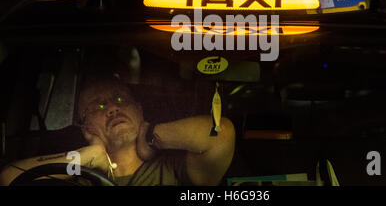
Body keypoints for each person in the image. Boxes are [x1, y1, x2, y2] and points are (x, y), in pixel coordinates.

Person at [0, 77, 235, 186]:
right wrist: (84, 158)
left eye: (120, 99)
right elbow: (9, 178)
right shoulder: (75, 176)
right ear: (86, 127)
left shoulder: (173, 170)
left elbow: (221, 133)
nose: (112, 107)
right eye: (97, 106)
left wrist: (151, 135)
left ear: (139, 110)